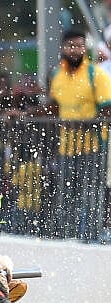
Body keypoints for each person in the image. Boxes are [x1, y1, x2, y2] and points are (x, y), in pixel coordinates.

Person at [47, 27, 111, 240]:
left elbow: (107, 108)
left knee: (91, 192)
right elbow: (54, 106)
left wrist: (85, 125)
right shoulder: (56, 75)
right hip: (66, 146)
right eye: (71, 46)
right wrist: (23, 113)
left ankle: (91, 236)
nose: (75, 50)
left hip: (93, 146)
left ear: (86, 48)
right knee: (66, 193)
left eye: (79, 46)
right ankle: (67, 235)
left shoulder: (96, 74)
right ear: (63, 48)